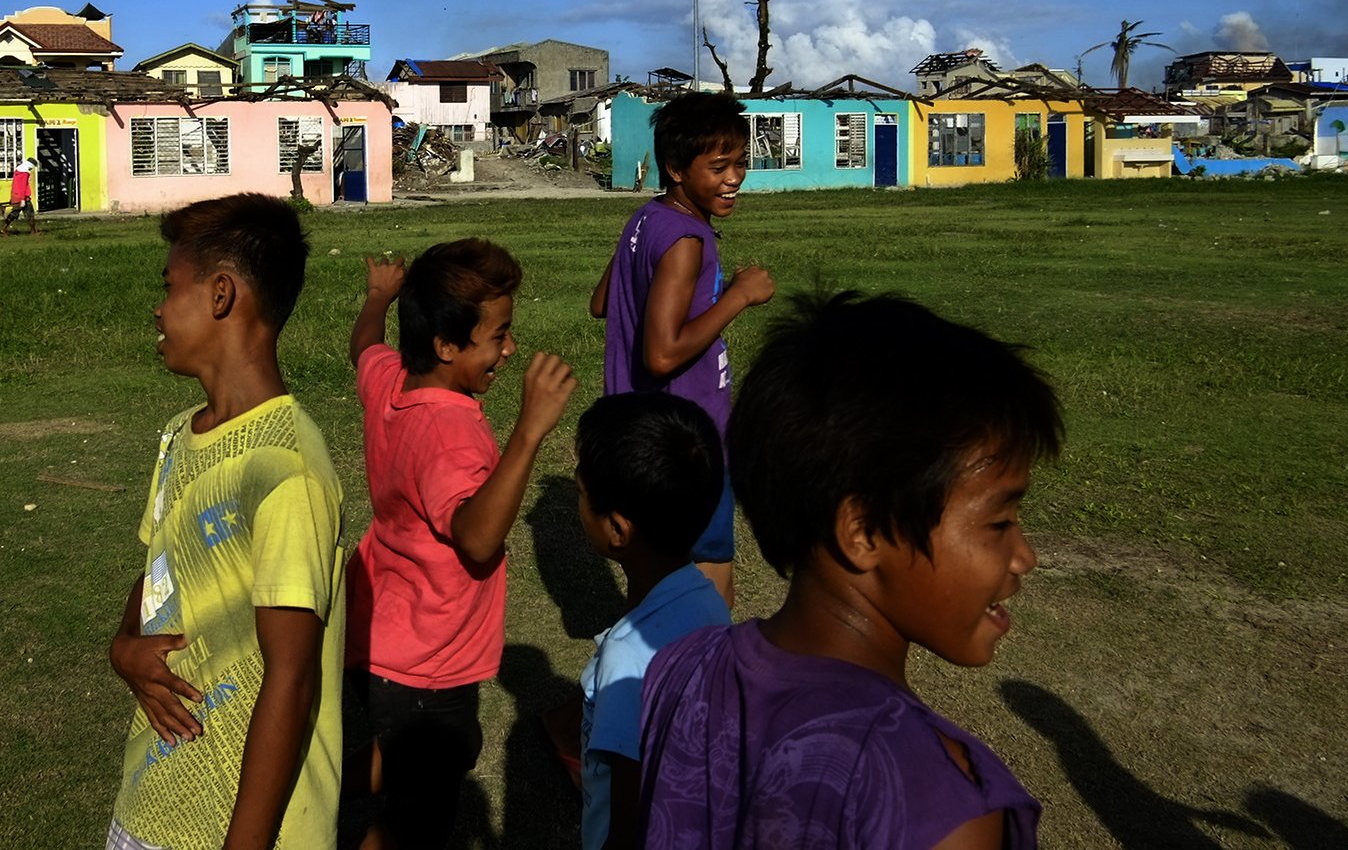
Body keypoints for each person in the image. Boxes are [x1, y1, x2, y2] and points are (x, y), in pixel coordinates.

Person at [639, 290, 1066, 849]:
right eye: (999, 521)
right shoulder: (938, 803)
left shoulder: (679, 667)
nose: (1023, 556)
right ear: (862, 532)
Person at [106, 194, 346, 850]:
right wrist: (122, 647)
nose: (158, 308)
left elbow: (291, 680)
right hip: (152, 802)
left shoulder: (285, 467)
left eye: (169, 287)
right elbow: (159, 571)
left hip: (241, 831)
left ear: (220, 294)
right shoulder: (179, 434)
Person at [346, 240, 577, 850]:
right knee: (416, 822)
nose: (510, 347)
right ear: (446, 346)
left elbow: (363, 347)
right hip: (431, 659)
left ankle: (334, 776)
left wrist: (377, 297)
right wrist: (528, 431)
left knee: (413, 759)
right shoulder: (451, 434)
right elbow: (476, 539)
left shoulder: (390, 382)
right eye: (498, 335)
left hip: (379, 633)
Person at [590, 92, 773, 606]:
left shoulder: (646, 217)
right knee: (712, 581)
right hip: (687, 441)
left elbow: (601, 301)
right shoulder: (688, 240)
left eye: (741, 163)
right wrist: (737, 296)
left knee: (651, 578)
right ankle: (698, 682)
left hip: (639, 434)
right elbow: (663, 356)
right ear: (674, 168)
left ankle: (642, 678)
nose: (734, 178)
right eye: (718, 167)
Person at [573, 392, 730, 850]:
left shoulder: (626, 658)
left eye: (582, 494)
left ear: (618, 531)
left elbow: (629, 824)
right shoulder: (710, 603)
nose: (578, 503)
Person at [3, 156, 38, 236]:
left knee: (14, 213)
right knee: (29, 214)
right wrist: (22, 199)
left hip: (16, 195)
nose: (32, 169)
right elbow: (23, 186)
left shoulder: (18, 171)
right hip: (22, 197)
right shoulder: (24, 173)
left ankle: (4, 229)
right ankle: (33, 232)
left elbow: (16, 185)